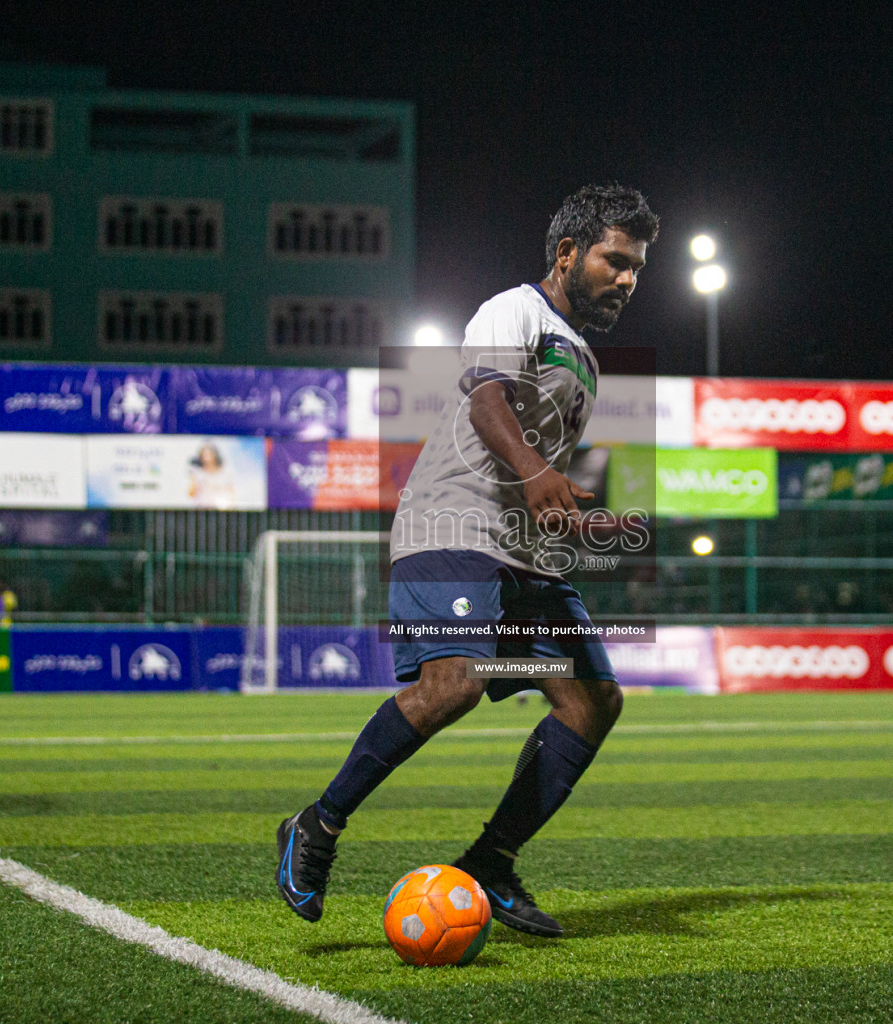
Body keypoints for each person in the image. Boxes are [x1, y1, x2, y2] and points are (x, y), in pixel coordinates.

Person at [275, 184, 657, 936]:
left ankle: (491, 861)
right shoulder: (512, 309)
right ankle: (316, 826)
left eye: (637, 268)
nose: (627, 279)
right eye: (616, 260)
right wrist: (536, 475)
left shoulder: (583, 357)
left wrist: (570, 505)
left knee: (593, 702)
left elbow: (538, 461)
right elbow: (487, 402)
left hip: (525, 555)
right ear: (568, 253)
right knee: (452, 684)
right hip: (449, 526)